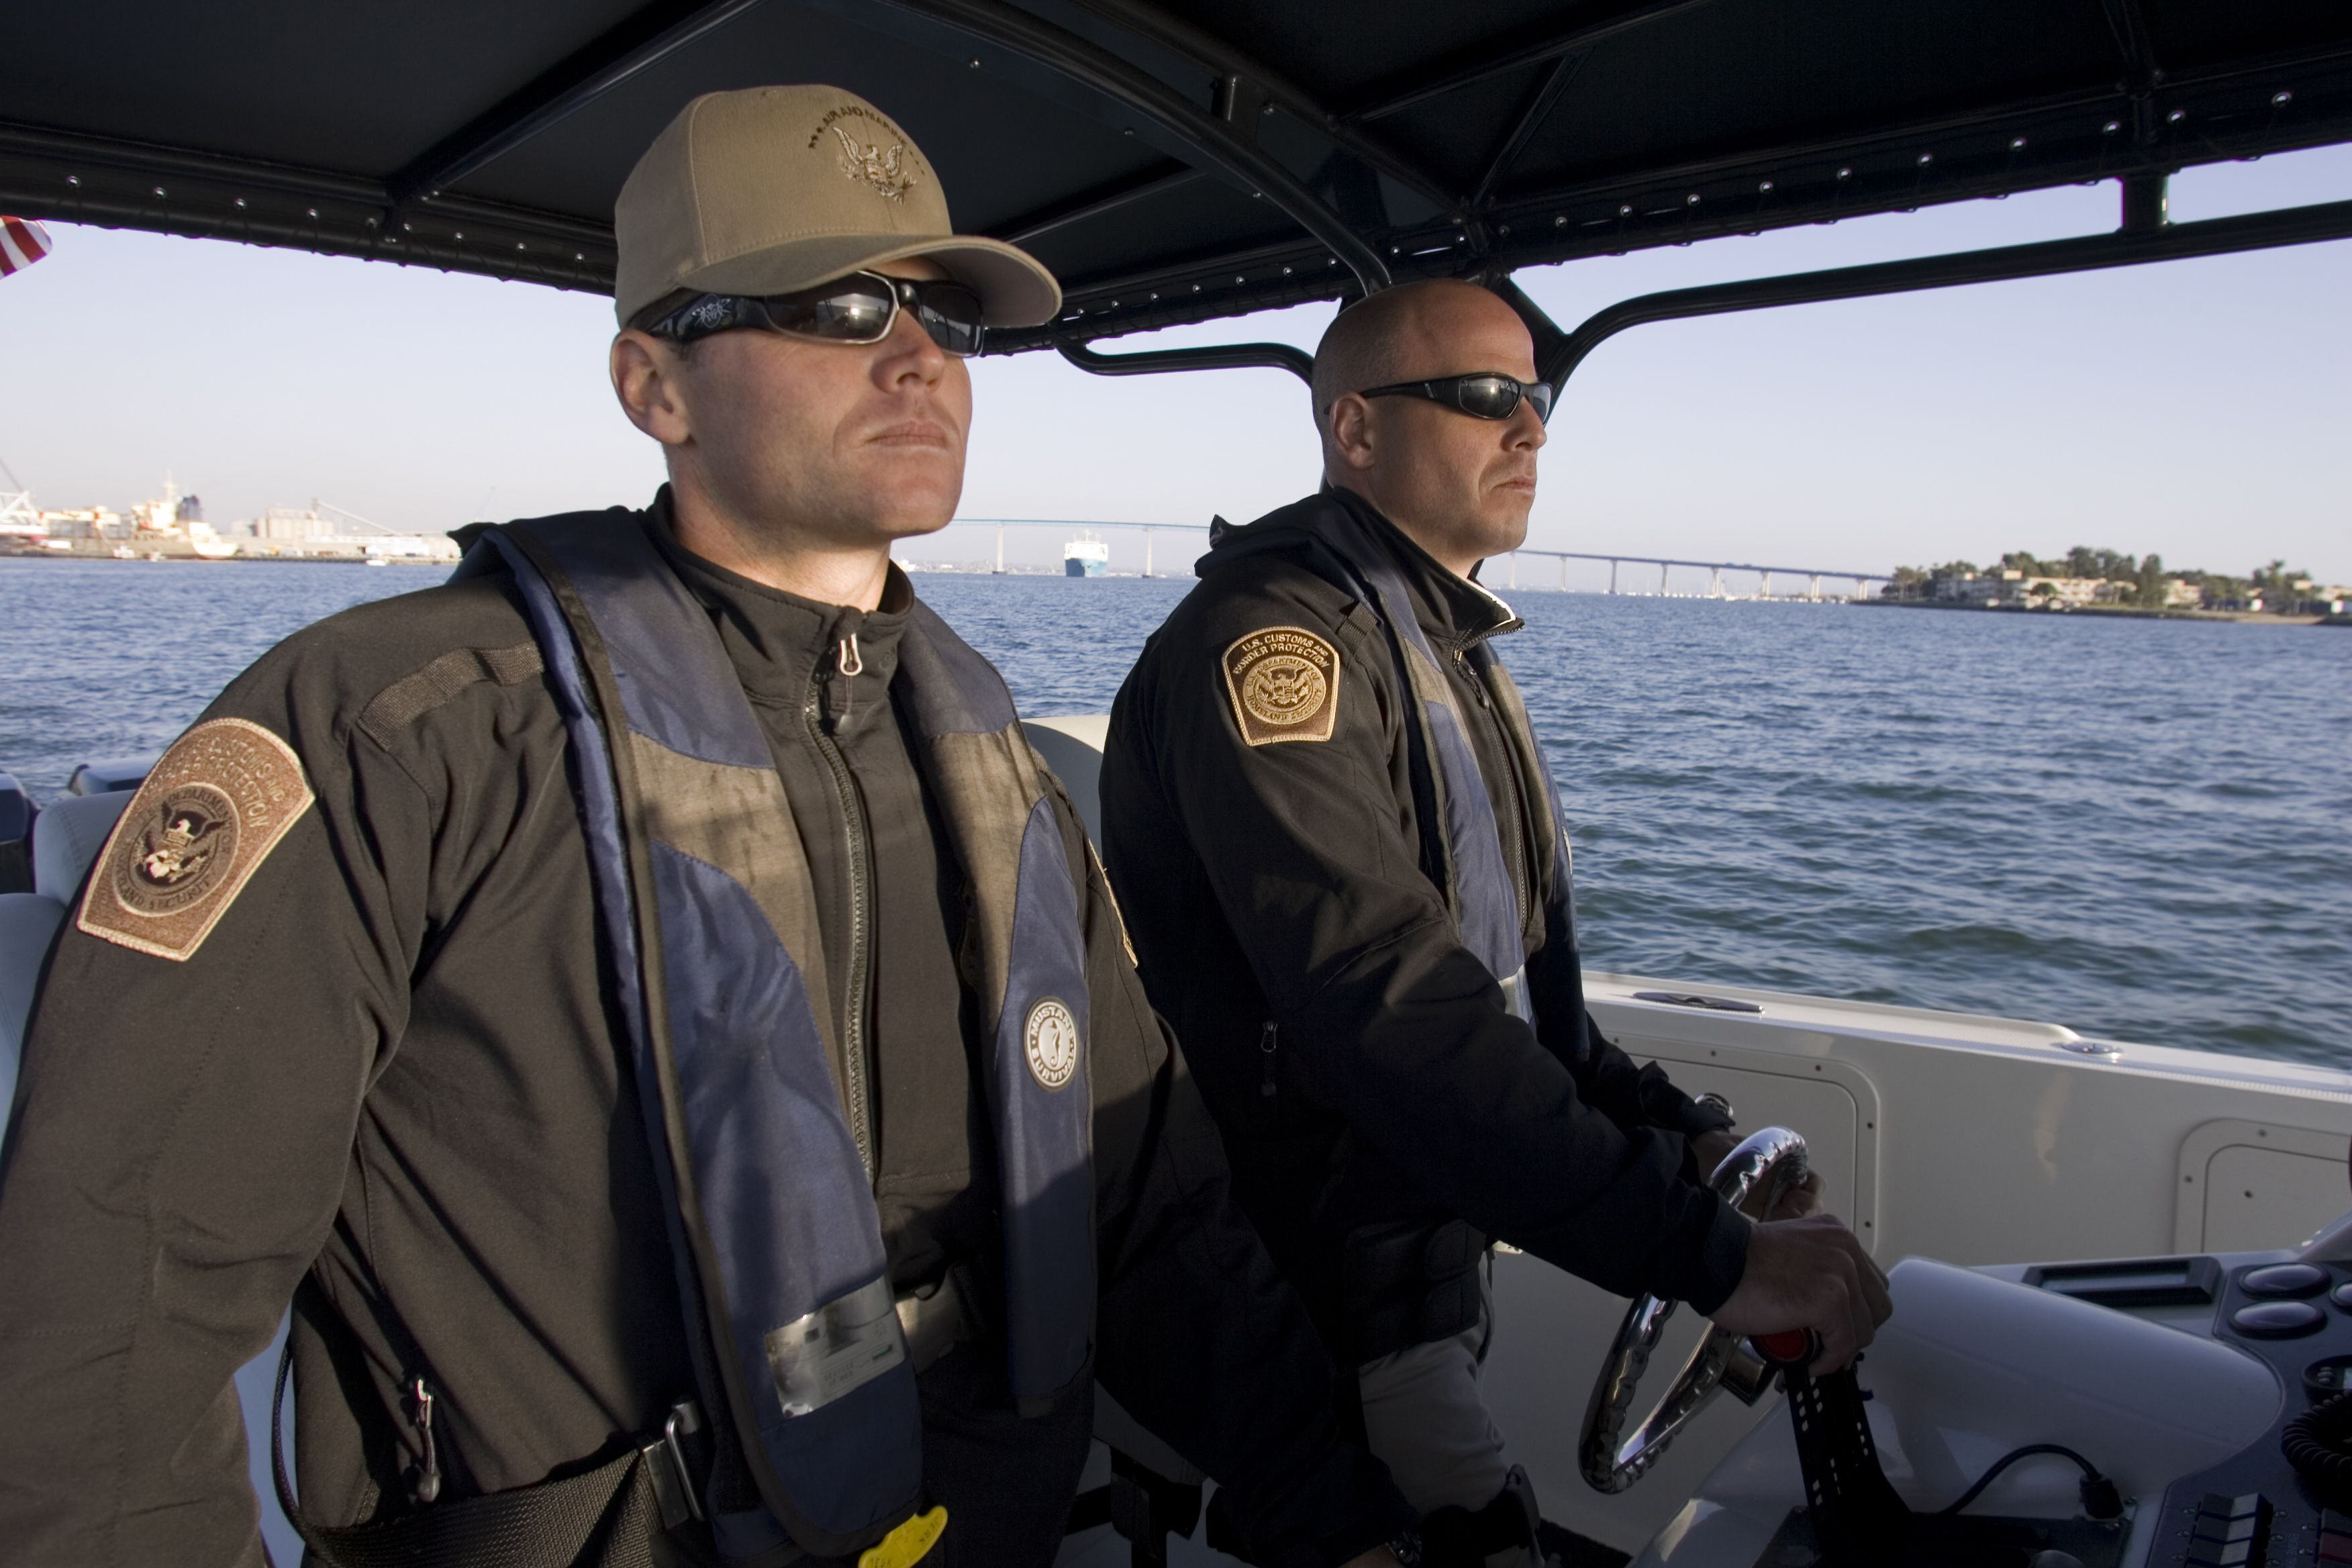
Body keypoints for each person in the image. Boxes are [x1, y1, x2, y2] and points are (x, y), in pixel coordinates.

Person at [0, 86, 1416, 1568]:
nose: (920, 354)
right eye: (841, 303)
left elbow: (1147, 1212)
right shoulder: (402, 735)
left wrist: (1345, 1523)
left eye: (945, 314)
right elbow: (113, 1305)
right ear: (651, 384)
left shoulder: (988, 755)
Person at [1099, 279, 1892, 1566]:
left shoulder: (1444, 652)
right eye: (1483, 398)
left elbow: (1519, 1005)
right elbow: (1386, 1000)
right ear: (1356, 431)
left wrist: (1682, 1138)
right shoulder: (1269, 653)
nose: (1528, 430)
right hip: (1312, 1296)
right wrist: (1710, 1254)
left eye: (1538, 399)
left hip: (1423, 1258)